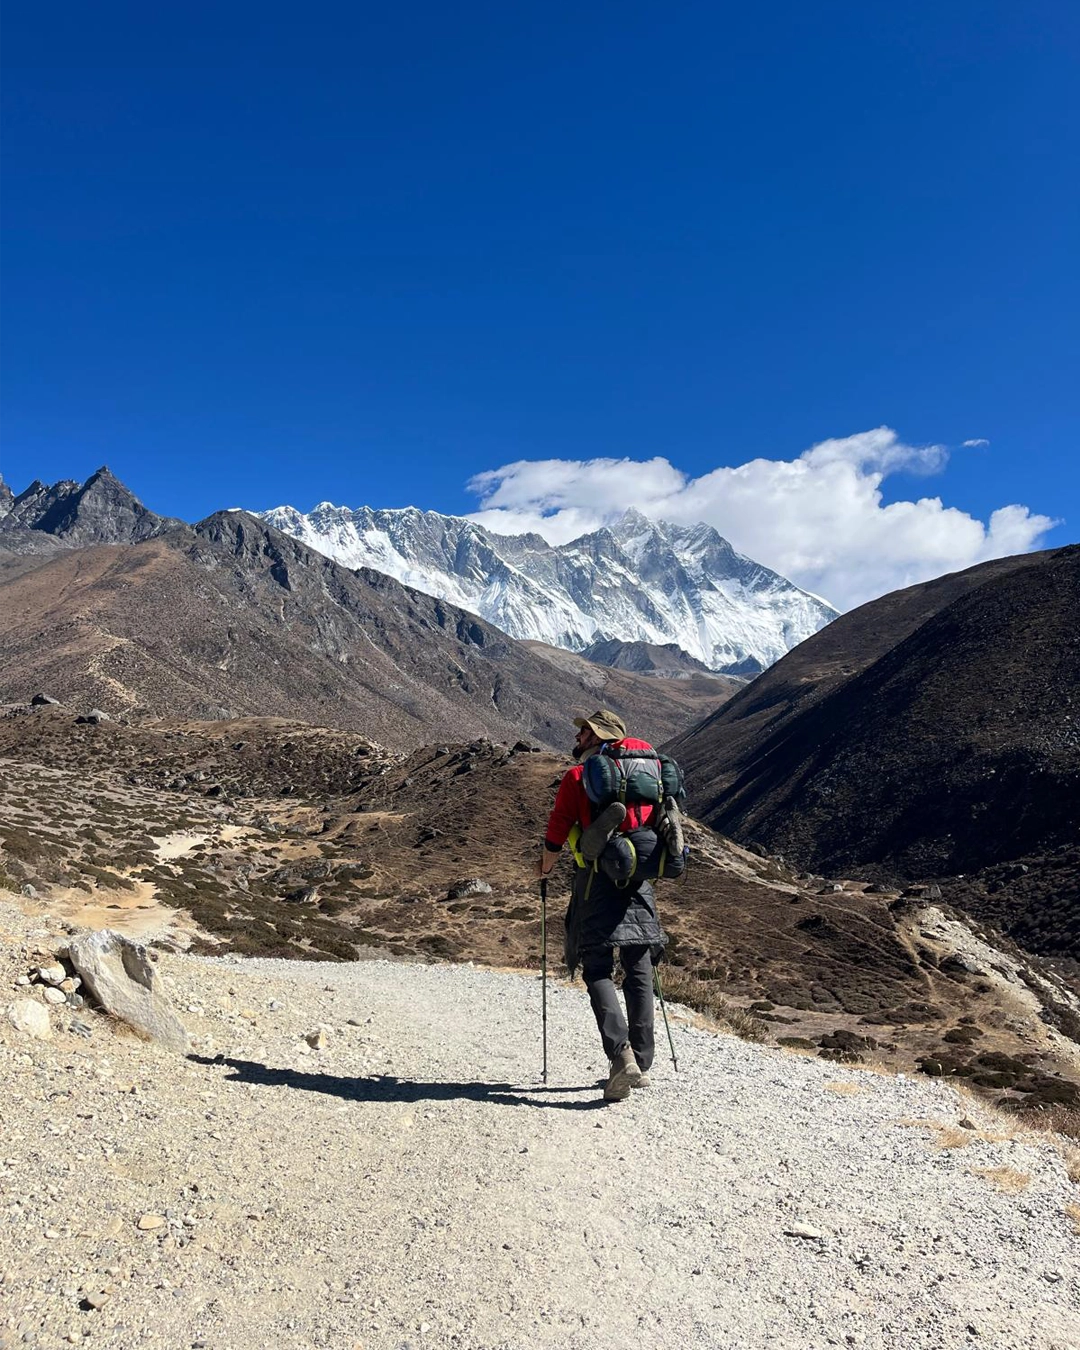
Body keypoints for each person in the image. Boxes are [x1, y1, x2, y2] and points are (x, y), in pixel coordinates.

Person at [535, 708, 670, 1101]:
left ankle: (621, 1057)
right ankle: (642, 1061)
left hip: (595, 881)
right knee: (639, 966)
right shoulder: (647, 774)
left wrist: (544, 867)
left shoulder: (578, 777)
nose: (576, 739)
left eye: (582, 734)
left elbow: (558, 827)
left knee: (596, 967)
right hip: (639, 880)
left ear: (597, 736)